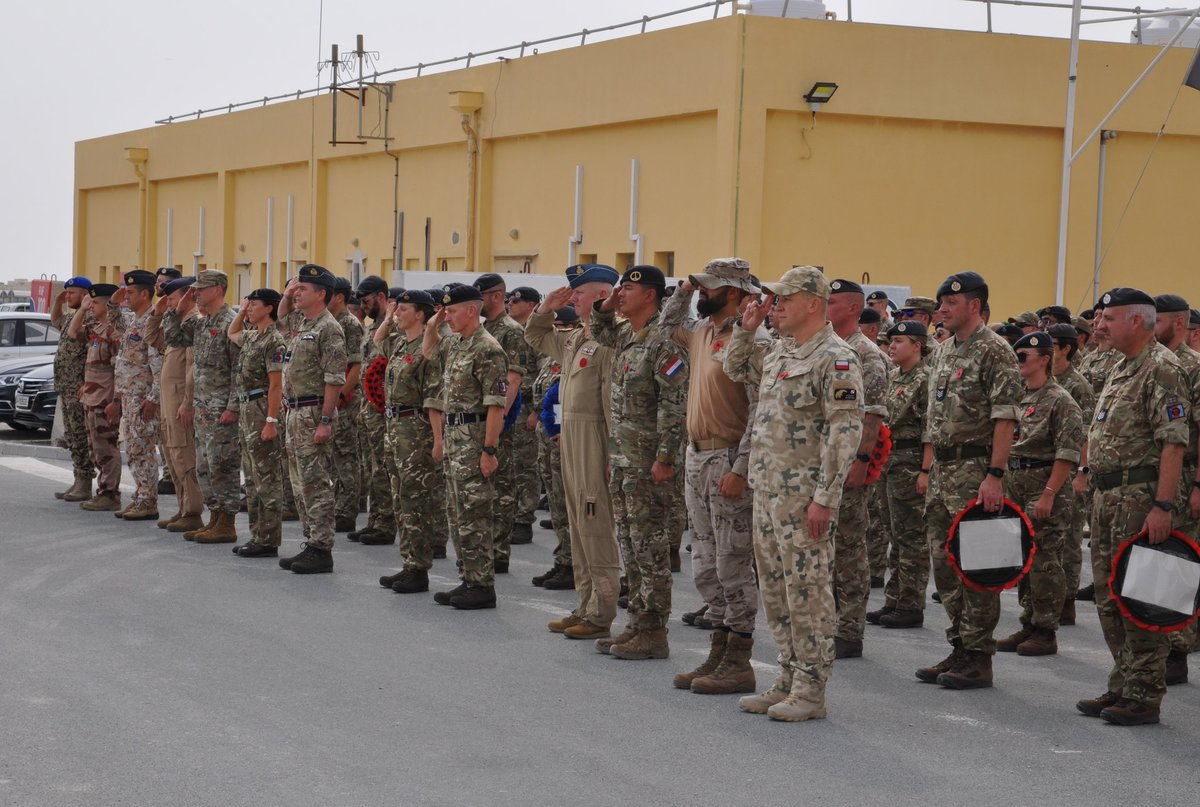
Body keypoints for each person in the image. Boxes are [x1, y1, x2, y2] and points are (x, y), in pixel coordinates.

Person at [723, 266, 864, 722]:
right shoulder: (781, 351)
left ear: (813, 304)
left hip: (804, 498)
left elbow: (845, 431)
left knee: (808, 590)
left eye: (784, 299)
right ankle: (785, 677)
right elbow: (732, 366)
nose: (775, 306)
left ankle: (811, 688)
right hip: (768, 493)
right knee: (777, 590)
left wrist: (826, 498)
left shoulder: (836, 358)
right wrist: (746, 331)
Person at [1073, 288, 1188, 725]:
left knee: (1138, 593)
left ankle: (1143, 694)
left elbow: (1173, 442)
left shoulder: (1162, 369)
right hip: (1107, 497)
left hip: (1139, 499)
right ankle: (1123, 682)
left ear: (1137, 321)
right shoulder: (1123, 365)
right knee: (1108, 595)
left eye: (1110, 318)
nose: (1100, 325)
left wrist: (1163, 504)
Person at [657, 258, 764, 694]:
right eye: (700, 287)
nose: (702, 293)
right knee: (704, 563)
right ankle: (719, 651)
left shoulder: (754, 340)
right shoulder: (701, 332)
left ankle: (739, 658)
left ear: (736, 293)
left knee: (732, 561)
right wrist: (681, 292)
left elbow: (760, 410)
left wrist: (742, 468)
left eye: (709, 287)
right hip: (696, 456)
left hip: (728, 458)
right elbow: (666, 330)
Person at [916, 271, 1021, 690]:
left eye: (950, 304)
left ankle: (979, 655)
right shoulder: (943, 351)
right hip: (943, 471)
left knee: (977, 566)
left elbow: (1005, 418)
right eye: (941, 304)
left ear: (974, 306)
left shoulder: (996, 351)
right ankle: (960, 645)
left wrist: (994, 475)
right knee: (944, 566)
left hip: (976, 471)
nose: (941, 311)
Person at [591, 265, 689, 660]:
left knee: (651, 547)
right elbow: (598, 331)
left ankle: (655, 631)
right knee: (631, 545)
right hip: (625, 458)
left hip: (650, 461)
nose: (620, 295)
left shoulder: (665, 345)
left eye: (627, 289)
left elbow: (673, 406)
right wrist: (606, 306)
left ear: (650, 295)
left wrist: (665, 458)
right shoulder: (629, 336)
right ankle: (636, 623)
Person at [524, 265, 622, 640]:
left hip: (594, 434)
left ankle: (602, 611)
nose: (572, 298)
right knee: (578, 524)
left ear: (600, 297)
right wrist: (546, 306)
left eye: (578, 293)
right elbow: (535, 334)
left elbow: (611, 401)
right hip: (572, 436)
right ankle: (585, 603)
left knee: (594, 522)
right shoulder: (575, 339)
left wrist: (614, 452)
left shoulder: (610, 339)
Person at [995, 332, 1083, 657]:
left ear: (1044, 359)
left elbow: (1067, 453)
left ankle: (1046, 630)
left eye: (1024, 357)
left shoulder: (1061, 400)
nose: (1018, 362)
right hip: (1016, 481)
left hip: (1044, 483)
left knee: (1046, 559)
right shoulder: (1019, 397)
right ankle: (1029, 622)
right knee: (1024, 557)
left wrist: (1048, 494)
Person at [425, 283, 509, 609]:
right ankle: (468, 579)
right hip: (455, 437)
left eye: (453, 310)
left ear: (471, 310)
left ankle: (482, 584)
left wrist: (489, 450)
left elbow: (496, 405)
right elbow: (428, 350)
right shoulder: (456, 344)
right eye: (445, 310)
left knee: (475, 514)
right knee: (457, 513)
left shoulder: (488, 349)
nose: (448, 315)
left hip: (474, 438)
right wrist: (435, 322)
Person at [826, 279, 889, 659]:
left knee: (849, 546)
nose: (824, 307)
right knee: (824, 547)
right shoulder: (825, 348)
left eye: (831, 302)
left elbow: (873, 416)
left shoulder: (866, 354)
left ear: (852, 307)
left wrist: (861, 462)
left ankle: (849, 628)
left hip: (850, 463)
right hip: (823, 461)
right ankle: (827, 620)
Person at [276, 265, 349, 574]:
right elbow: (280, 317)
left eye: (304, 289)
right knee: (298, 483)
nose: (297, 293)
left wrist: (325, 420)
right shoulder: (303, 322)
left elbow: (334, 379)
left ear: (321, 294)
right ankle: (311, 542)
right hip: (294, 411)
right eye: (297, 288)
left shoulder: (328, 328)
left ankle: (322, 547)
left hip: (312, 412)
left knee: (315, 483)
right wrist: (289, 290)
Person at [373, 289, 444, 593]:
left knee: (416, 500)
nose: (398, 313)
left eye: (403, 309)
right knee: (400, 497)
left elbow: (433, 399)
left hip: (416, 429)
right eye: (396, 308)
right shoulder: (401, 342)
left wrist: (438, 441)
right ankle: (408, 563)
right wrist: (388, 317)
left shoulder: (430, 348)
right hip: (394, 428)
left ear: (420, 314)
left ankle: (419, 568)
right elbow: (376, 341)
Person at [474, 273, 540, 566]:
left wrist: (498, 423)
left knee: (501, 484)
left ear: (496, 296)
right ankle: (487, 546)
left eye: (481, 296)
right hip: (482, 416)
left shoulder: (511, 331)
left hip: (500, 417)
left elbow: (512, 381)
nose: (476, 303)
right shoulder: (486, 328)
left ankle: (498, 551)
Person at [868, 320, 931, 629]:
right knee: (894, 533)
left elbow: (931, 429)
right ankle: (894, 599)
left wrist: (926, 470)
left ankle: (911, 603)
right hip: (888, 460)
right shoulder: (894, 376)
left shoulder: (925, 379)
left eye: (900, 341)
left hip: (911, 460)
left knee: (912, 538)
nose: (892, 345)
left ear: (917, 345)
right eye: (890, 341)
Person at [171, 270, 241, 543]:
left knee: (223, 465)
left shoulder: (232, 322)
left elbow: (239, 370)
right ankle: (215, 518)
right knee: (205, 467)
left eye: (201, 289)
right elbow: (174, 337)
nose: (196, 294)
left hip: (222, 410)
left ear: (218, 289)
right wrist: (178, 308)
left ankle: (227, 523)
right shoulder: (201, 323)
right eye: (194, 290)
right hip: (203, 409)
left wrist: (232, 407)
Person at [1151, 294, 1200, 682]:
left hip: (1185, 479)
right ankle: (1154, 648)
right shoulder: (1149, 364)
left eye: (1159, 320)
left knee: (1176, 564)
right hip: (1153, 478)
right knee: (1153, 565)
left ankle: (1177, 652)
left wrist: (1198, 484)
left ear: (1179, 323)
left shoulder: (1193, 367)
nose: (1151, 325)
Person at [227, 288, 287, 557]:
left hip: (263, 407)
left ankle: (269, 538)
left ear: (269, 309)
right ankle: (256, 535)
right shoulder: (253, 337)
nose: (249, 307)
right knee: (251, 478)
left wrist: (271, 420)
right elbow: (232, 333)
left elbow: (276, 385)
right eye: (247, 304)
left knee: (267, 478)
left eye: (254, 304)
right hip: (247, 409)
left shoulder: (274, 341)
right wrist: (240, 313)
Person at [145, 277, 204, 533]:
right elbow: (152, 338)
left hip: (181, 402)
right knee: (171, 456)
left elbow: (191, 367)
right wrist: (159, 314)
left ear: (186, 296)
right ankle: (182, 508)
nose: (167, 303)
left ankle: (192, 511)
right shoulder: (176, 324)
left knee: (184, 456)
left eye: (170, 298)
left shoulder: (193, 322)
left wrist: (188, 402)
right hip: (169, 402)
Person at [527, 305, 580, 591]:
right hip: (547, 439)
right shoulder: (550, 358)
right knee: (557, 505)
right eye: (555, 328)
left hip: (564, 437)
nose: (558, 333)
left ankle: (572, 564)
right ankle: (563, 560)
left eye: (563, 327)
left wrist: (559, 430)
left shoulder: (572, 354)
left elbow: (566, 397)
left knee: (566, 501)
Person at [1047, 322, 1095, 626]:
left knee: (1070, 537)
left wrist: (1082, 473)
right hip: (1049, 466)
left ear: (1066, 348)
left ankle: (1066, 602)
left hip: (1072, 468)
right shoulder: (1045, 379)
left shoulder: (1077, 384)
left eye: (1050, 345)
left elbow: (1086, 434)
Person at [107, 271, 163, 520]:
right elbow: (115, 324)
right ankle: (140, 494)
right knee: (132, 449)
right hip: (130, 397)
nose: (126, 296)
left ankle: (148, 500)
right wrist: (112, 303)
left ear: (144, 293)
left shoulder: (152, 320)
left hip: (143, 397)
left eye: (130, 292)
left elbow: (158, 365)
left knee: (144, 449)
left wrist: (153, 398)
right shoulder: (133, 320)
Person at [352, 275, 400, 546]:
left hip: (383, 409)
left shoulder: (393, 327)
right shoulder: (371, 329)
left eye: (366, 300)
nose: (362, 305)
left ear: (381, 297)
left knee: (384, 467)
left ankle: (385, 523)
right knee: (373, 467)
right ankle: (374, 520)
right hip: (368, 407)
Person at [68, 284, 123, 511]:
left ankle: (110, 494)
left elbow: (119, 369)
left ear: (108, 304)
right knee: (96, 448)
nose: (92, 307)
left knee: (106, 447)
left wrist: (115, 401)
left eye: (95, 303)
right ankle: (103, 490)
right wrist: (81, 310)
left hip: (104, 398)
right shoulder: (96, 328)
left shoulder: (113, 332)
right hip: (91, 396)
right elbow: (73, 332)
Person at [50, 277, 96, 502]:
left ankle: (85, 483)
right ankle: (78, 479)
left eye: (72, 293)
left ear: (86, 294)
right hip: (66, 386)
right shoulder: (71, 316)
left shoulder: (90, 317)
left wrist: (87, 384)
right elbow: (56, 320)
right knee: (71, 435)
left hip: (78, 387)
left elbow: (92, 355)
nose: (68, 297)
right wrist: (57, 301)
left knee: (80, 436)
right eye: (66, 293)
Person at [328, 277, 365, 534]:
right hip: (332, 397)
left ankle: (346, 511)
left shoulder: (350, 324)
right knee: (334, 456)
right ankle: (337, 504)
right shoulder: (326, 322)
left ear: (339, 297)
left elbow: (356, 365)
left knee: (346, 456)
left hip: (345, 401)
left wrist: (341, 397)